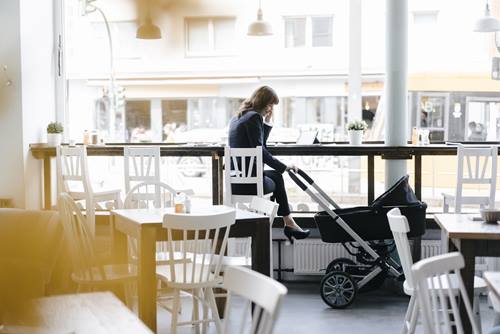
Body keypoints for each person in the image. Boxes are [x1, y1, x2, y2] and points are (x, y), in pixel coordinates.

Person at [228, 86, 310, 242]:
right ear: (262, 101)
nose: (270, 109)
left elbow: (259, 147)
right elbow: (262, 152)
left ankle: (286, 222)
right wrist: (284, 167)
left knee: (276, 176)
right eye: (270, 104)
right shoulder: (254, 117)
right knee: (278, 176)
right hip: (251, 183)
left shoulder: (238, 116)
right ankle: (282, 223)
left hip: (237, 181)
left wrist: (267, 123)